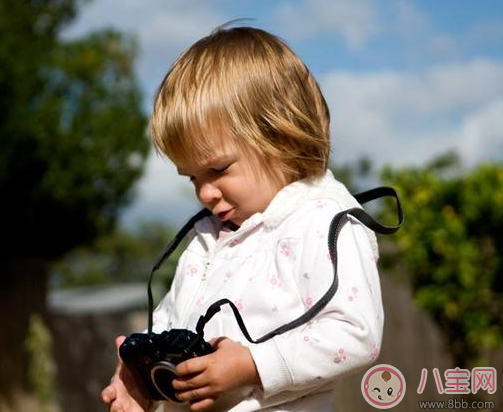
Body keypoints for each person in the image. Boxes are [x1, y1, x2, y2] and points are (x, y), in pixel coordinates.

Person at [101, 24, 383, 412]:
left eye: (217, 170)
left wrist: (252, 366)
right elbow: (172, 317)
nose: (203, 193)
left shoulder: (322, 222)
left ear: (280, 137)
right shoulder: (208, 238)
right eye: (193, 178)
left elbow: (356, 334)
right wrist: (141, 375)